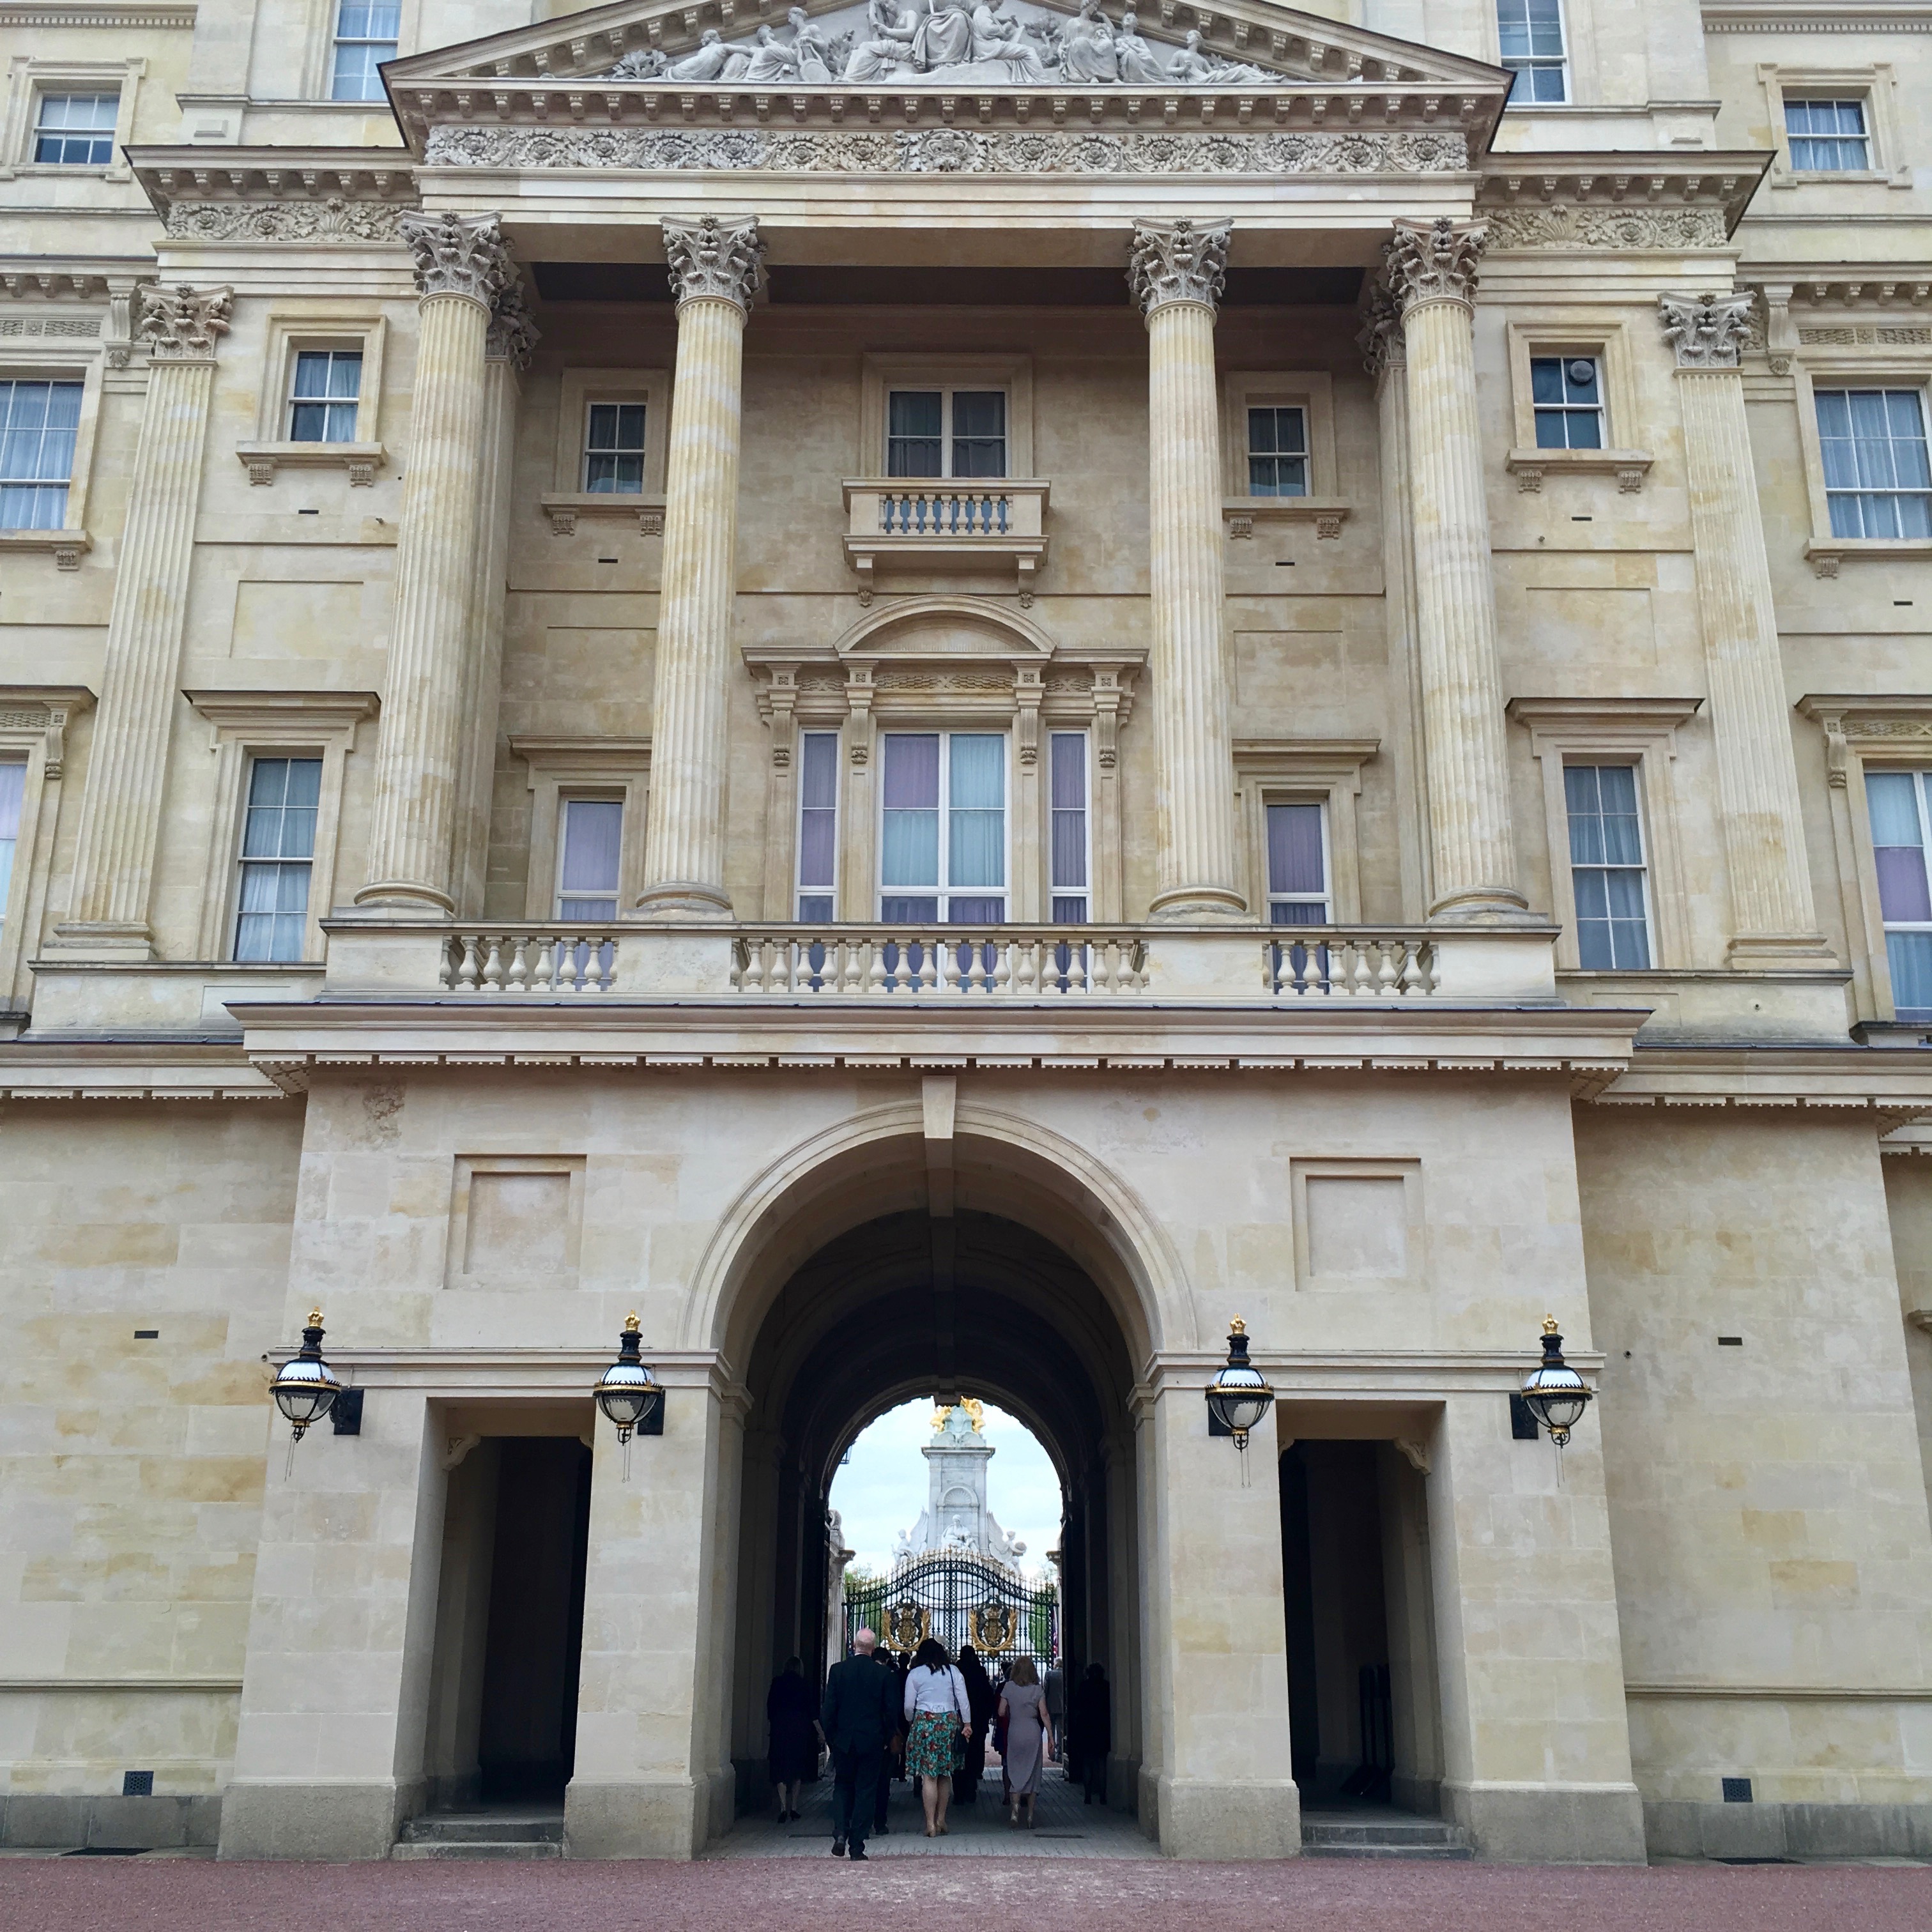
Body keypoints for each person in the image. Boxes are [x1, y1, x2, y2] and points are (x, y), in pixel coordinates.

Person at [820, 1626, 900, 1860]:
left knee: (842, 1786)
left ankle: (840, 1831)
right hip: (872, 1741)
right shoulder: (883, 1675)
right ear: (873, 1649)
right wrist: (886, 1738)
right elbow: (890, 1712)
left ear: (854, 1646)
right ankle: (857, 1845)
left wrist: (832, 1740)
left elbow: (828, 1710)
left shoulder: (838, 1671)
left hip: (844, 1741)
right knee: (866, 1791)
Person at [902, 1636, 972, 1837]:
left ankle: (930, 1824)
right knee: (945, 1774)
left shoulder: (915, 1674)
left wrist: (911, 1721)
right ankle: (941, 1819)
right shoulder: (953, 1672)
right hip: (949, 1723)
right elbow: (963, 1701)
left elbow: (908, 1706)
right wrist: (967, 1724)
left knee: (929, 1775)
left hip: (925, 1722)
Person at [998, 1655, 1050, 1828]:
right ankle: (1030, 1816)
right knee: (1034, 1771)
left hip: (1015, 1730)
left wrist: (1012, 1714)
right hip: (1032, 1730)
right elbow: (1044, 1714)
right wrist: (1051, 1736)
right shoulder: (1037, 1689)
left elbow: (1001, 1712)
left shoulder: (1008, 1687)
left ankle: (1014, 1810)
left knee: (1014, 1768)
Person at [765, 1656, 818, 1823]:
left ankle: (783, 1807)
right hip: (799, 1731)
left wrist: (775, 1722)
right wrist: (820, 1731)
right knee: (797, 1769)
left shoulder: (777, 1683)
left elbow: (770, 1707)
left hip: (780, 1730)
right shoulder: (803, 1684)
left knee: (780, 1767)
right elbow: (811, 1710)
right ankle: (794, 1807)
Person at [953, 1644, 997, 1805]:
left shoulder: (956, 1671)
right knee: (974, 1753)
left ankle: (959, 1792)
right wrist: (988, 1715)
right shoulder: (980, 1672)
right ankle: (971, 1788)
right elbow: (988, 1695)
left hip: (959, 1719)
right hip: (978, 1719)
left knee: (958, 1753)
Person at [1071, 1660, 1111, 1804]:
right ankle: (1103, 1796)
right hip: (1102, 1727)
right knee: (1101, 1762)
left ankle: (1088, 1795)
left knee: (1087, 1762)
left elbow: (1077, 1705)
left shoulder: (1084, 1686)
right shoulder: (1106, 1686)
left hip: (1087, 1727)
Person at [1043, 1659, 1066, 1765]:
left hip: (1050, 1706)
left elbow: (1045, 1690)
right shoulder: (1064, 1674)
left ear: (1056, 1664)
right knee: (1060, 1732)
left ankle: (1051, 1753)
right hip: (1061, 1707)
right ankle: (1060, 1753)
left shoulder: (1049, 1674)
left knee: (1050, 1730)